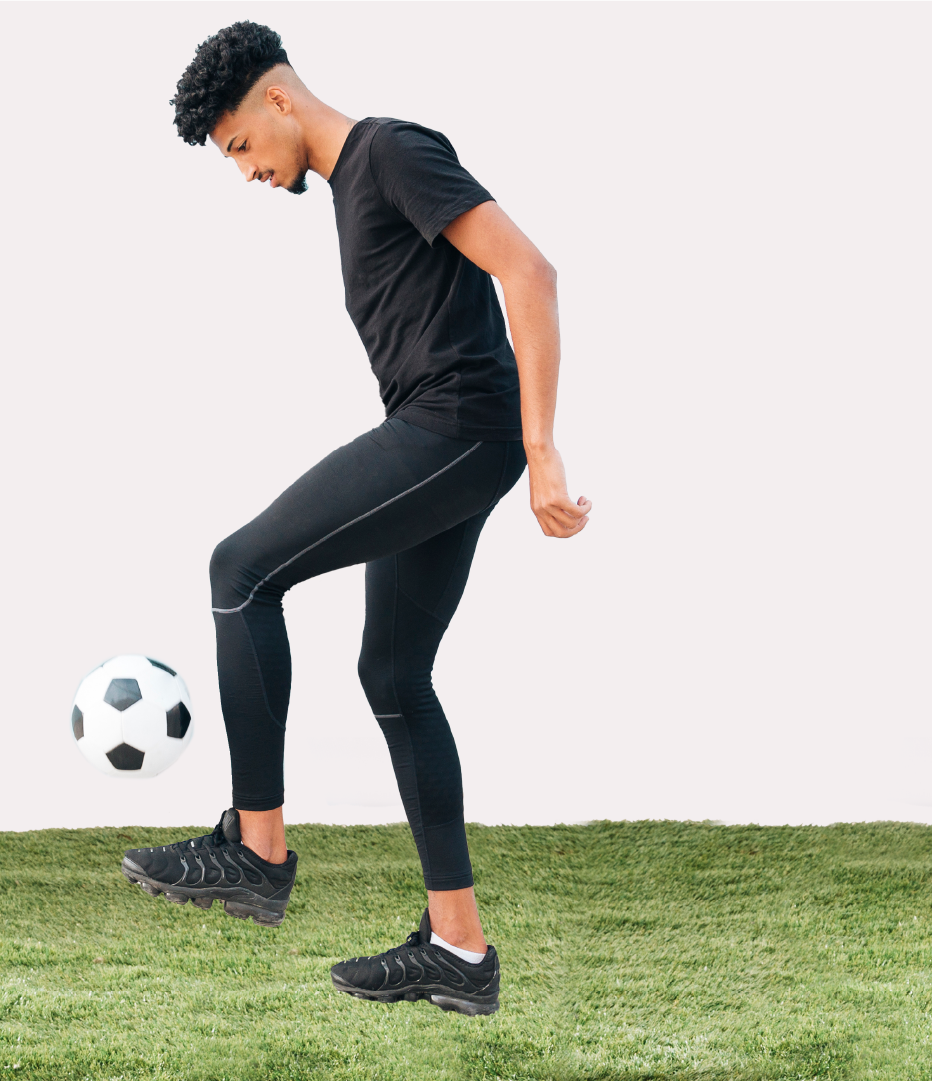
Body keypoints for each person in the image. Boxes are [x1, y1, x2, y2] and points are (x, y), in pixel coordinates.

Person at [116, 22, 590, 1017]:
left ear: (278, 98)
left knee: (240, 570)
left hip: (459, 425)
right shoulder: (351, 187)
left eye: (241, 146)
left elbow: (530, 273)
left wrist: (544, 446)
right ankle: (460, 949)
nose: (245, 172)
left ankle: (257, 850)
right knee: (391, 672)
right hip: (447, 433)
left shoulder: (390, 151)